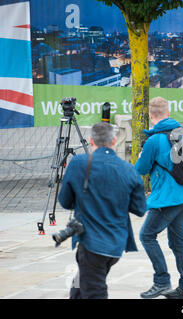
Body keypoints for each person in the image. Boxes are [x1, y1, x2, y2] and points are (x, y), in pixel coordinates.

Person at [58, 122, 147, 299]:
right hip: (116, 243)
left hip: (92, 243)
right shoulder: (128, 169)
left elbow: (65, 201)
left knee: (94, 291)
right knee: (79, 287)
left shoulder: (78, 163)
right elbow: (139, 209)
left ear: (91, 141)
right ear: (114, 140)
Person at [136, 96, 183, 299]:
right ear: (168, 113)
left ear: (151, 116)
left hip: (166, 198)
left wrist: (140, 157)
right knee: (178, 241)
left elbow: (141, 169)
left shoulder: (153, 140)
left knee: (146, 235)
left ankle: (162, 281)